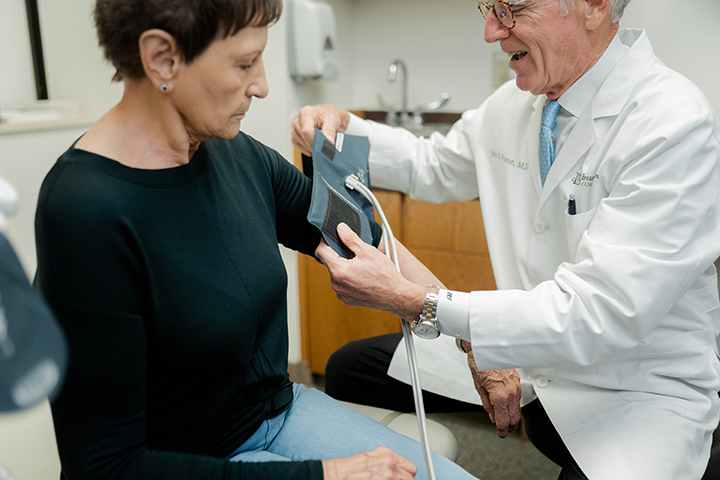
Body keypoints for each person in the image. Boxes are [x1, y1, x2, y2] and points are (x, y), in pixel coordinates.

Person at [33, 1, 480, 479]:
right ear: (162, 58)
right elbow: (106, 468)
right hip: (185, 461)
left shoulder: (235, 153)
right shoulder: (86, 212)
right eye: (245, 64)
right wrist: (326, 475)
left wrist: (472, 340)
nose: (263, 86)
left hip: (283, 413)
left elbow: (363, 236)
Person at [292, 0, 720, 479]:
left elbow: (601, 312)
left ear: (594, 6)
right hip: (528, 351)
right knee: (350, 368)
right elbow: (432, 164)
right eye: (489, 8)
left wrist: (424, 303)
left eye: (513, 8)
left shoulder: (672, 123)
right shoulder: (518, 103)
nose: (492, 32)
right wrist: (343, 130)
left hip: (634, 391)